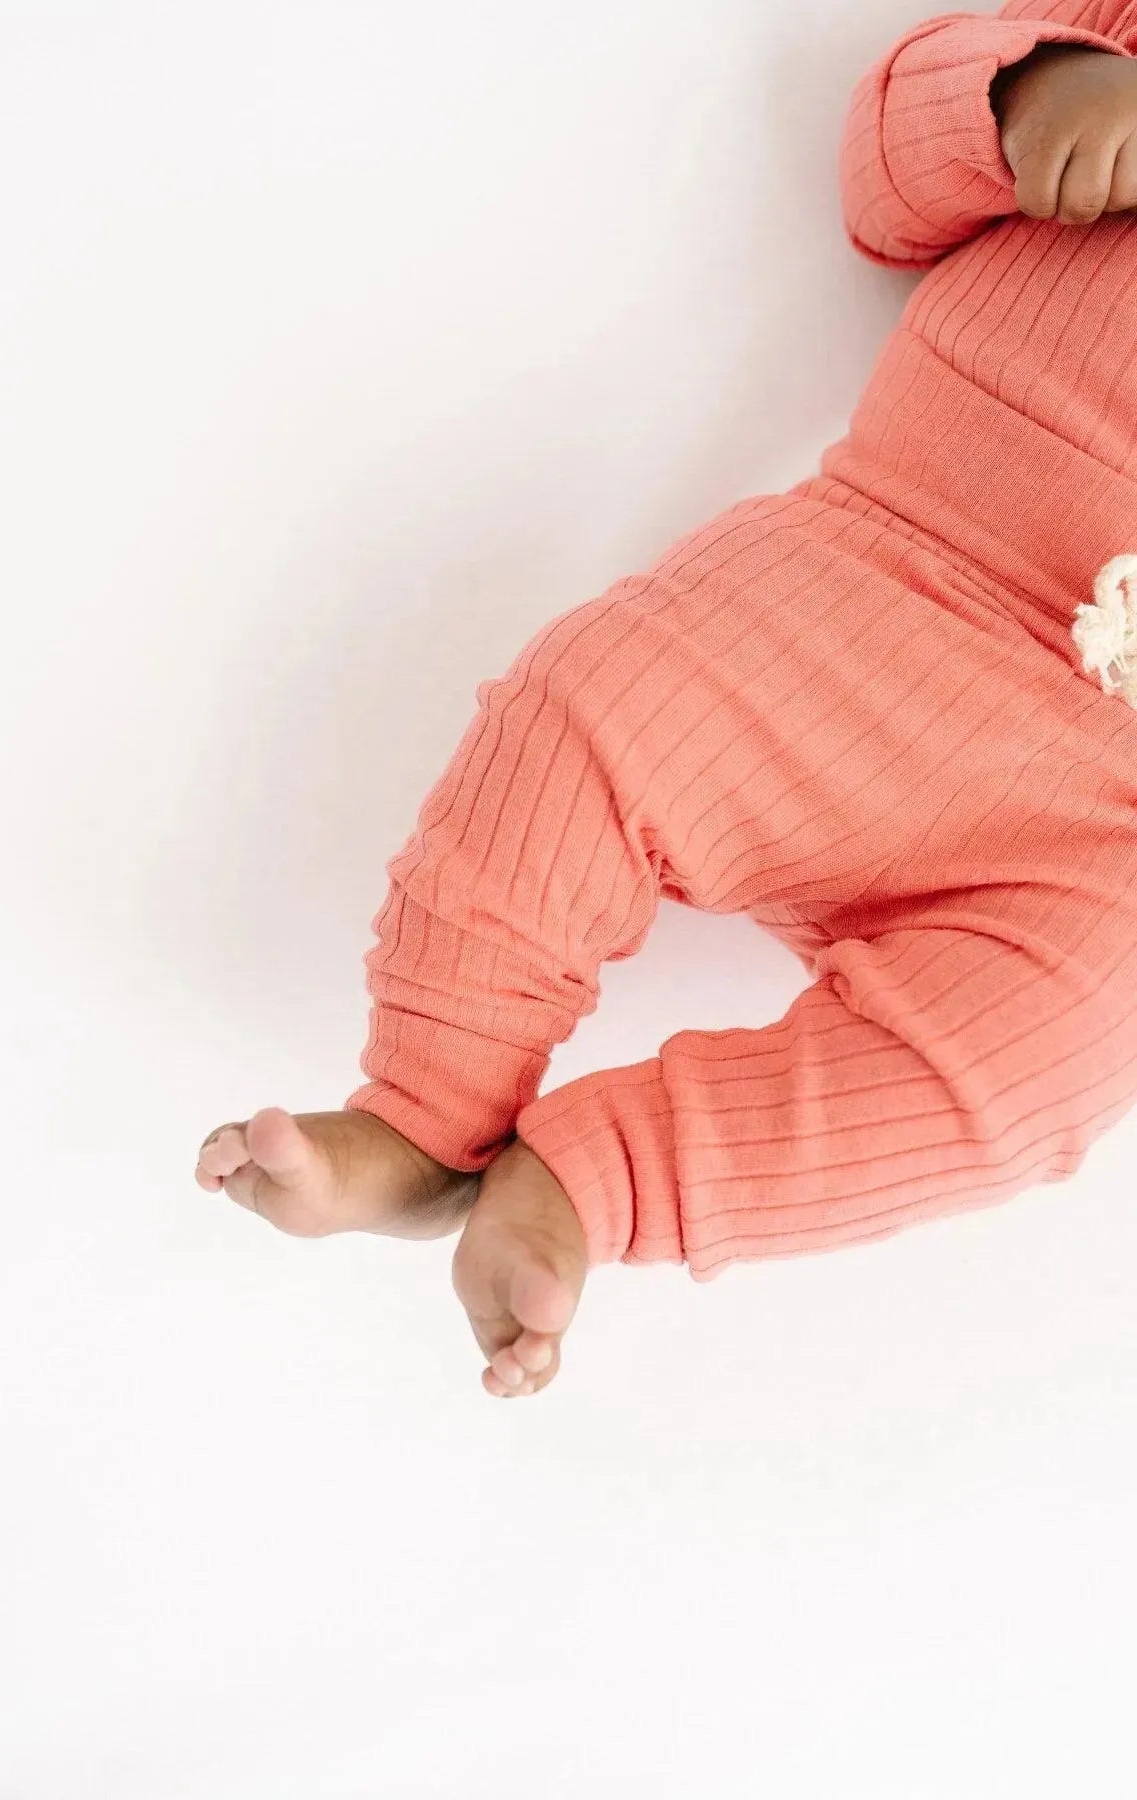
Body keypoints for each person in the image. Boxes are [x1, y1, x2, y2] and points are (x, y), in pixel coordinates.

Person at [195, 2, 1137, 1399]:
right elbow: (884, 176)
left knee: (1052, 1055)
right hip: (883, 580)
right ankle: (428, 1116)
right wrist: (1029, 95)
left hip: (1098, 832)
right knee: (594, 712)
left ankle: (593, 1184)